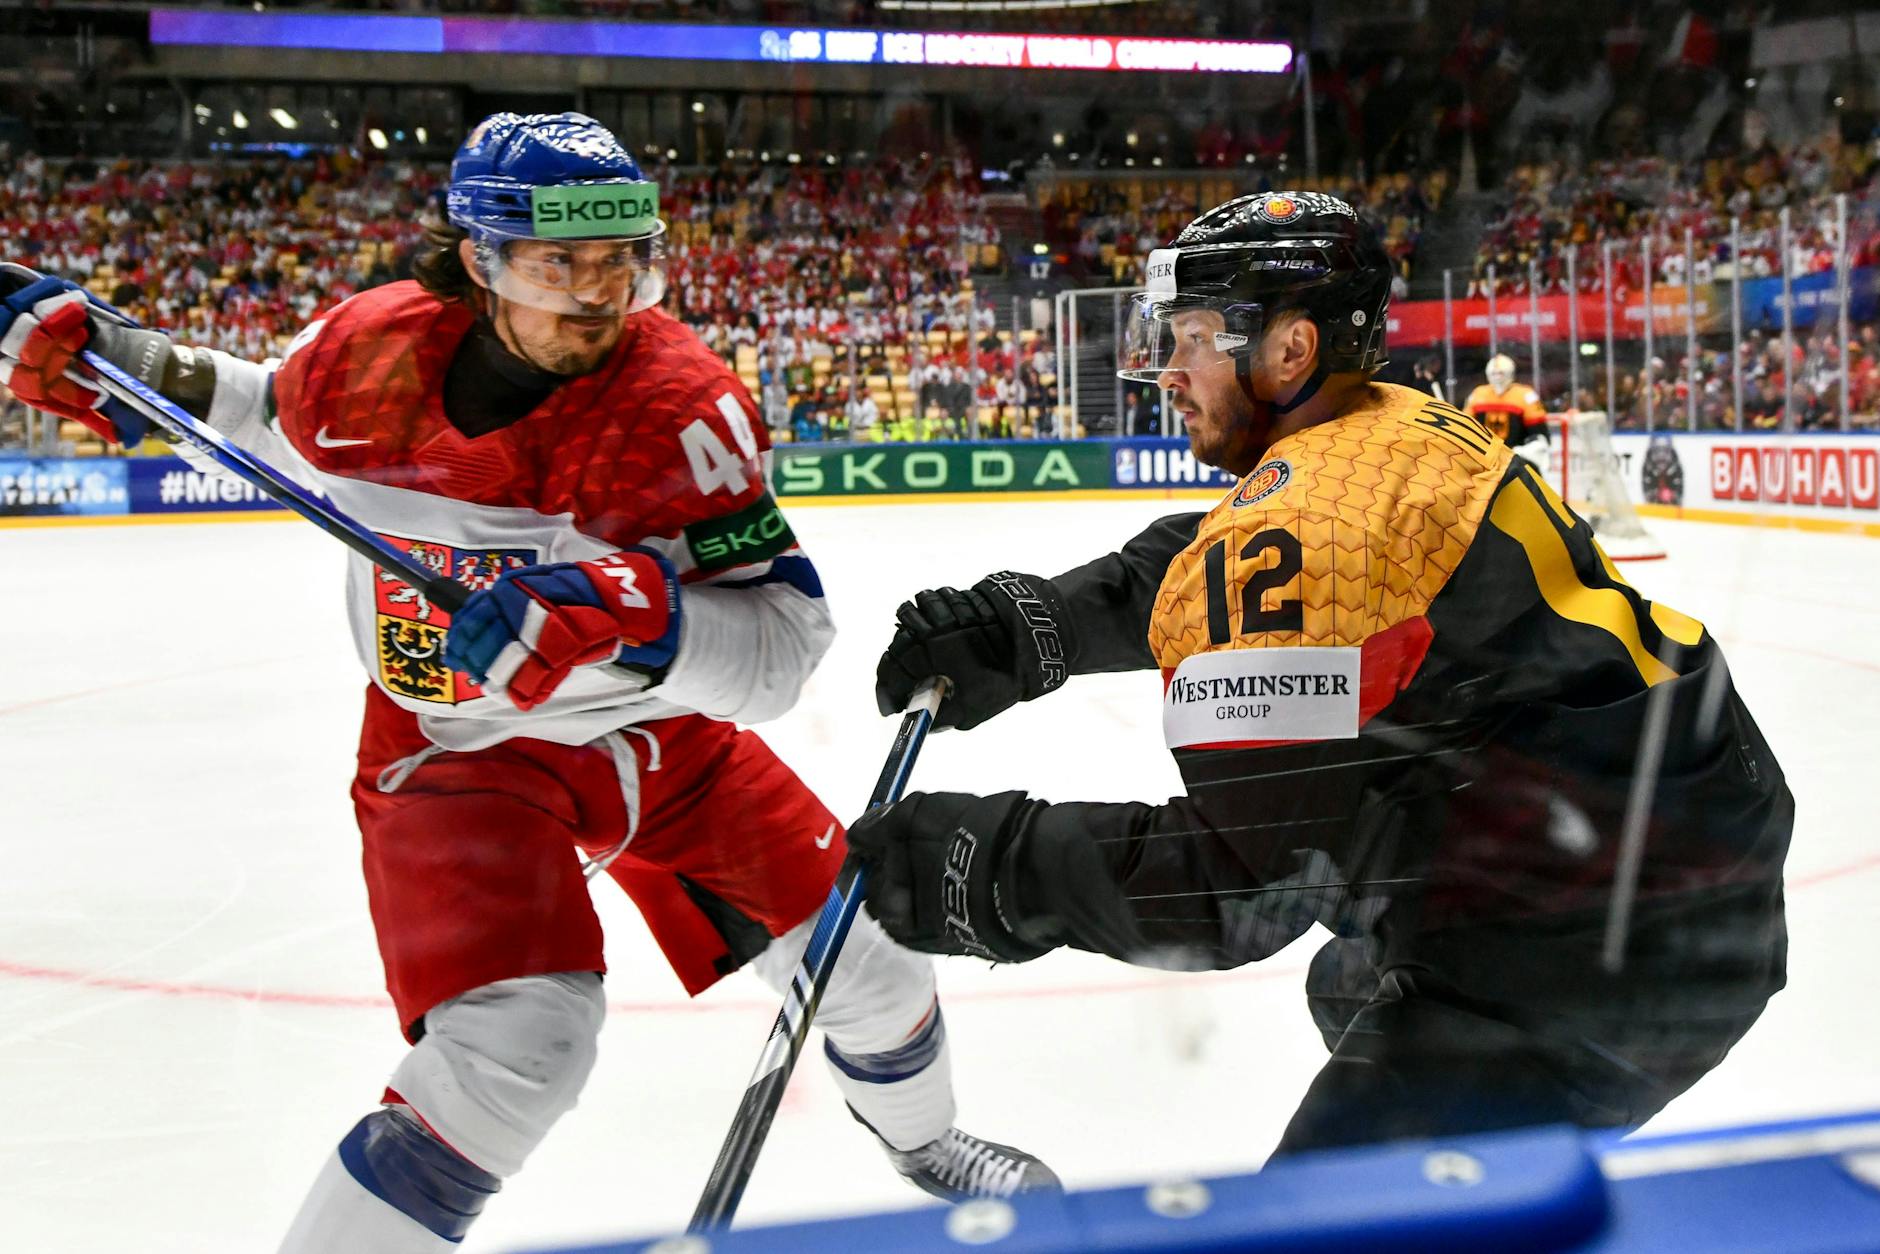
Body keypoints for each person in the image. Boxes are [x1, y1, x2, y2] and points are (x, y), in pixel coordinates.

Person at [0, 113, 1053, 1254]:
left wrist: (627, 613)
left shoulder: (680, 409)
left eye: (621, 262)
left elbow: (786, 644)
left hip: (667, 745)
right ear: (480, 258)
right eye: (560, 264)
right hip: (455, 752)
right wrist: (120, 361)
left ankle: (921, 1139)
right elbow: (273, 417)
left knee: (871, 967)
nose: (596, 295)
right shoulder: (370, 351)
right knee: (516, 1047)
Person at [850, 191, 1791, 1157]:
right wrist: (1031, 626)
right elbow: (1216, 559)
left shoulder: (1314, 523)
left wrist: (976, 864)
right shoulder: (1387, 426)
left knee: (1318, 1222)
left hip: (1599, 948)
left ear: (1290, 351)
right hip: (1680, 853)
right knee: (1348, 980)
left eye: (1195, 339)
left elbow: (1237, 886)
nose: (1168, 370)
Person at [1465, 352, 1548, 459]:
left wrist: (1525, 451)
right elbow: (1466, 426)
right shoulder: (1478, 394)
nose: (1497, 378)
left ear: (1510, 373)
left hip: (1516, 456)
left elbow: (1539, 435)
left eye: (1501, 373)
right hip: (1484, 455)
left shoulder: (1525, 395)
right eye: (1493, 374)